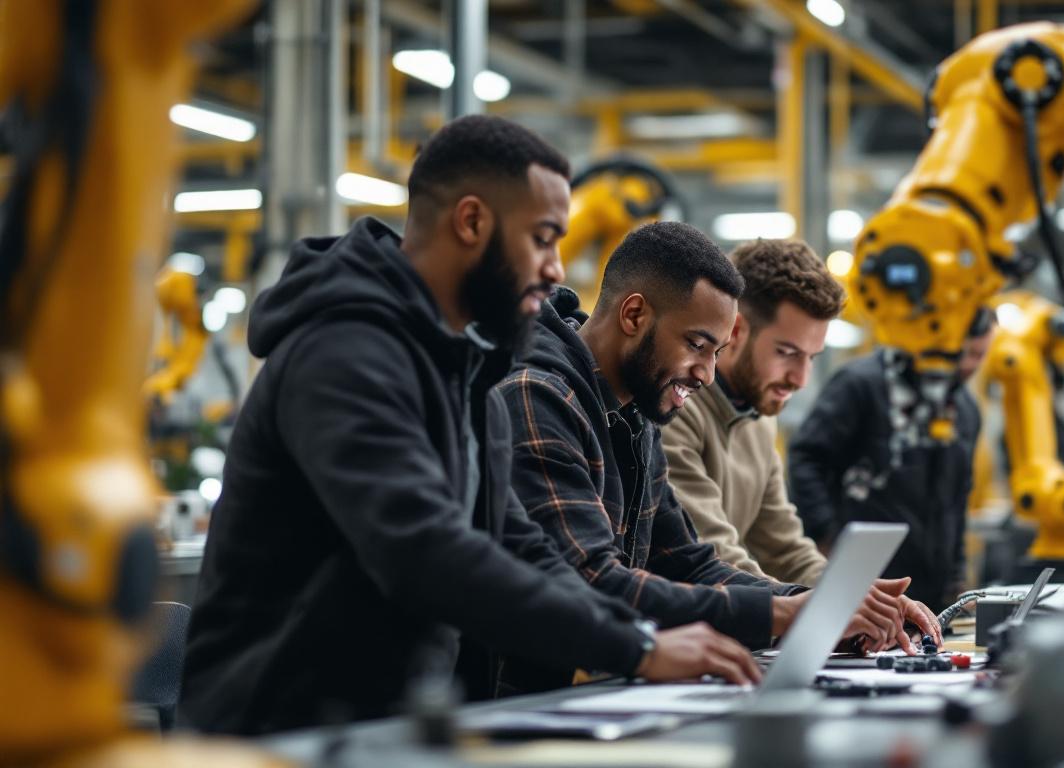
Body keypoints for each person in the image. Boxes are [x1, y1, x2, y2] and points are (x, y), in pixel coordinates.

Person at [179, 116, 759, 736]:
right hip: (277, 735)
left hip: (387, 730)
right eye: (542, 238)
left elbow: (520, 545)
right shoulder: (345, 353)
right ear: (473, 221)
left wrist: (635, 636)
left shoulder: (465, 368)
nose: (557, 269)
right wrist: (639, 651)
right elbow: (425, 552)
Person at [497, 223, 940, 692]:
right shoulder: (539, 399)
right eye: (697, 345)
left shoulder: (634, 417)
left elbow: (688, 563)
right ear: (634, 315)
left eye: (717, 351)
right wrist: (783, 612)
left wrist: (823, 601)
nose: (708, 374)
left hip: (584, 695)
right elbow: (592, 580)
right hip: (514, 709)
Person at [660, 239, 843, 586]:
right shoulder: (675, 408)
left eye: (811, 357)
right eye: (787, 352)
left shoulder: (759, 420)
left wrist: (854, 597)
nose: (801, 379)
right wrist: (795, 605)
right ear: (736, 330)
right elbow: (712, 555)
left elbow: (786, 550)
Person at [788, 310, 992, 608]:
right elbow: (807, 458)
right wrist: (825, 536)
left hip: (931, 589)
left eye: (980, 355)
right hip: (863, 583)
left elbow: (957, 498)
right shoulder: (859, 385)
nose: (970, 365)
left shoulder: (965, 410)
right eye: (966, 353)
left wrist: (957, 575)